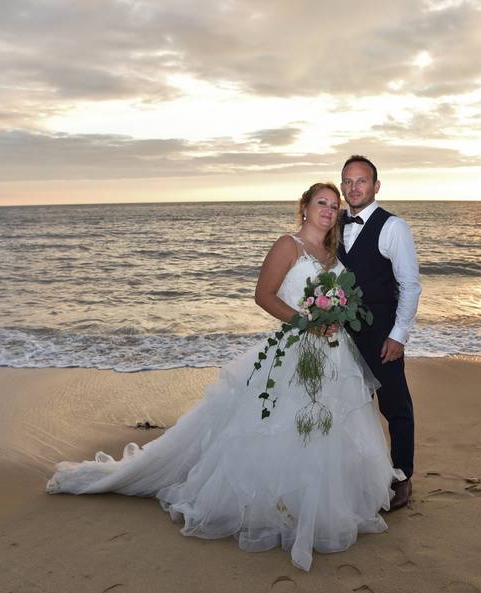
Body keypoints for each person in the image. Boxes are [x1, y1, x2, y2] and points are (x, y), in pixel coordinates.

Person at [46, 182, 399, 571]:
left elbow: (343, 297)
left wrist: (336, 318)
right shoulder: (288, 245)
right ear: (304, 206)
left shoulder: (333, 253)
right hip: (297, 347)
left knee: (330, 426)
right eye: (322, 203)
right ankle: (281, 506)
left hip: (334, 353)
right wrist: (305, 321)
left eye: (334, 205)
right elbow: (263, 295)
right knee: (284, 426)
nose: (329, 210)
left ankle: (325, 503)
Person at [338, 155, 421, 511]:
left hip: (381, 334)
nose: (354, 187)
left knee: (394, 406)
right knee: (350, 406)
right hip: (341, 333)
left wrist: (398, 335)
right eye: (348, 181)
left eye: (361, 181)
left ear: (376, 186)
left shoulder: (393, 227)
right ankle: (359, 472)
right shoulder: (334, 224)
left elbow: (410, 284)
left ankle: (402, 475)